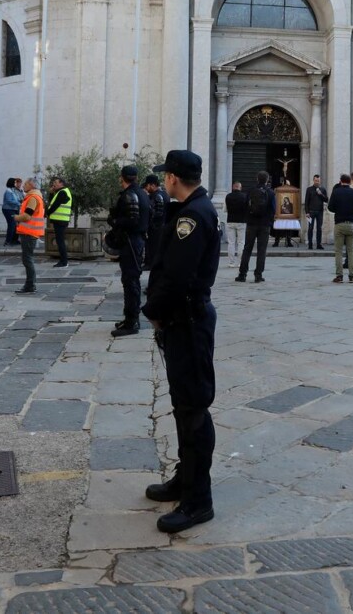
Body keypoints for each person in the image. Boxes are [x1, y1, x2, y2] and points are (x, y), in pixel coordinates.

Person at [142, 149, 221, 533]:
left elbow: (176, 276)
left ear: (172, 178)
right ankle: (184, 479)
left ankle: (197, 500)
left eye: (166, 176)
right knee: (183, 405)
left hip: (187, 322)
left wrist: (152, 310)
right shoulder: (196, 209)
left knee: (193, 409)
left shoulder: (193, 215)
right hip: (183, 321)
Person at [109, 166, 151, 336]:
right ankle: (129, 319)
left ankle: (132, 322)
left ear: (122, 177)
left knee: (131, 280)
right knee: (130, 279)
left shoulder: (131, 194)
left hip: (131, 241)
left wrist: (114, 221)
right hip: (136, 240)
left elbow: (132, 220)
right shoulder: (142, 193)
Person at [237, 170, 274, 283]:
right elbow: (273, 209)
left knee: (247, 249)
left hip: (251, 224)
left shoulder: (250, 190)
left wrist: (248, 217)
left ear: (257, 179)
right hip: (264, 225)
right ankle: (258, 275)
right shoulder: (271, 192)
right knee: (261, 250)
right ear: (267, 180)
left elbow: (245, 206)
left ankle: (242, 274)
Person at [328, 173, 353, 283]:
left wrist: (338, 210)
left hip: (339, 224)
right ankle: (352, 276)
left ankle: (339, 276)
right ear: (350, 181)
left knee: (338, 251)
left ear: (340, 181)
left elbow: (330, 207)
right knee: (351, 251)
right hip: (351, 224)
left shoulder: (336, 192)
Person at [14, 178, 46, 293]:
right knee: (27, 259)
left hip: (29, 233)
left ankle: (30, 285)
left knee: (27, 259)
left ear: (31, 185)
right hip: (30, 232)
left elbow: (27, 216)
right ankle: (30, 285)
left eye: (26, 184)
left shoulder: (33, 198)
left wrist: (15, 217)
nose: (23, 186)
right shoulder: (35, 197)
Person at [47, 177, 73, 267]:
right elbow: (52, 203)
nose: (53, 184)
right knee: (60, 241)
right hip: (60, 220)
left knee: (60, 241)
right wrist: (51, 193)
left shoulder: (62, 192)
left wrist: (46, 213)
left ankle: (64, 261)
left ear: (61, 183)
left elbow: (54, 206)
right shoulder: (60, 192)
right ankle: (63, 261)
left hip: (60, 220)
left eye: (55, 182)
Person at [143, 174, 168, 270]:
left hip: (157, 227)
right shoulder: (164, 194)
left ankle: (151, 264)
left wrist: (150, 221)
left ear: (153, 185)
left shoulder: (158, 196)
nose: (147, 188)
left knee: (153, 246)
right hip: (161, 226)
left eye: (147, 186)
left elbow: (158, 213)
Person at [223, 181, 246, 268]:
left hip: (230, 221)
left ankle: (231, 262)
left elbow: (225, 210)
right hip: (242, 222)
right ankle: (240, 262)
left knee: (231, 243)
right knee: (241, 242)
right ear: (240, 187)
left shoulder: (228, 196)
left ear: (233, 187)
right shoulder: (245, 196)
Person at [304, 174, 328, 250]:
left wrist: (320, 194)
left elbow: (326, 200)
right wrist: (307, 212)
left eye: (318, 180)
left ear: (320, 181)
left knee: (319, 228)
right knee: (310, 228)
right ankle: (310, 244)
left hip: (320, 212)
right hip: (311, 212)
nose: (317, 182)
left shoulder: (323, 189)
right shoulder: (309, 189)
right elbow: (306, 201)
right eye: (315, 180)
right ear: (313, 180)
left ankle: (318, 244)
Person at [1, 177, 21, 246]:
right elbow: (9, 201)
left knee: (16, 225)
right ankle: (8, 241)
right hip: (8, 209)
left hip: (14, 209)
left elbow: (18, 198)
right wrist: (19, 203)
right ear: (12, 183)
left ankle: (14, 240)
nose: (16, 183)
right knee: (12, 224)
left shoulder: (14, 190)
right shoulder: (8, 191)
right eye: (15, 182)